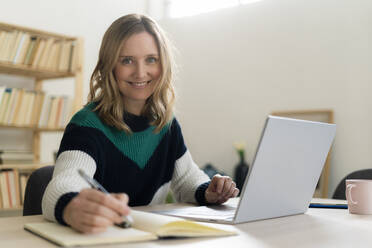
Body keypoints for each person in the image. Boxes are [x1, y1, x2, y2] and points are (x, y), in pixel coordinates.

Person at [42, 13, 239, 234]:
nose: (140, 72)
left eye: (151, 59)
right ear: (110, 66)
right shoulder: (86, 125)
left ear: (163, 64)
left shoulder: (166, 124)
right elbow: (61, 186)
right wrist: (72, 208)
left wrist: (210, 190)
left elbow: (187, 180)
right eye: (127, 60)